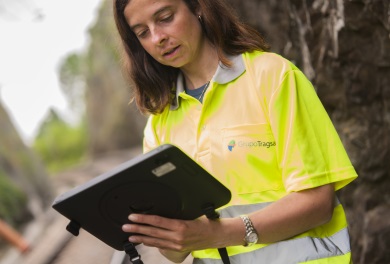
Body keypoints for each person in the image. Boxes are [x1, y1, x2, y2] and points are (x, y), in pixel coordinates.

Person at [113, 0, 358, 263]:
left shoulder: (273, 77)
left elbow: (317, 205)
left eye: (165, 18)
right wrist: (161, 232)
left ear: (197, 7)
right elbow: (175, 254)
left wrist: (220, 233)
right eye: (142, 33)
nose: (158, 38)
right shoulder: (159, 125)